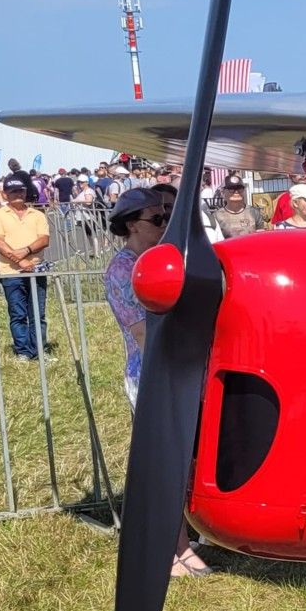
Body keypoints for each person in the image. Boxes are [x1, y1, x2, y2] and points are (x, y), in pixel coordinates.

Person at [104, 188, 212, 577]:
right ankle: (171, 550)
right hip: (153, 376)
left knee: (187, 462)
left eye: (167, 217)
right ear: (132, 224)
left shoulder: (163, 260)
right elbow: (142, 333)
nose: (165, 225)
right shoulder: (123, 269)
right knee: (167, 463)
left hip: (183, 370)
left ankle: (188, 541)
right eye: (157, 219)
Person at [0, 176, 51, 359]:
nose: (18, 194)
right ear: (5, 194)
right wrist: (20, 260)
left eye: (21, 190)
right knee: (18, 313)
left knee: (38, 313)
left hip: (37, 269)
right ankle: (23, 350)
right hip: (10, 272)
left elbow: (44, 239)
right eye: (13, 191)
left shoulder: (37, 215)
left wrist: (26, 251)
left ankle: (39, 349)